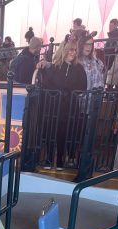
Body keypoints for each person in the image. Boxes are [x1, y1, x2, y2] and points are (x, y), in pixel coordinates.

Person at [38, 39, 87, 169]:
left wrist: (68, 91)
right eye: (71, 49)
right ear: (64, 50)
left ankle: (59, 161)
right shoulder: (54, 67)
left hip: (70, 108)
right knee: (50, 132)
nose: (73, 53)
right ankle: (49, 159)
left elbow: (83, 86)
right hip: (54, 107)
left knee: (64, 134)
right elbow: (47, 85)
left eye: (75, 50)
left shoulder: (79, 68)